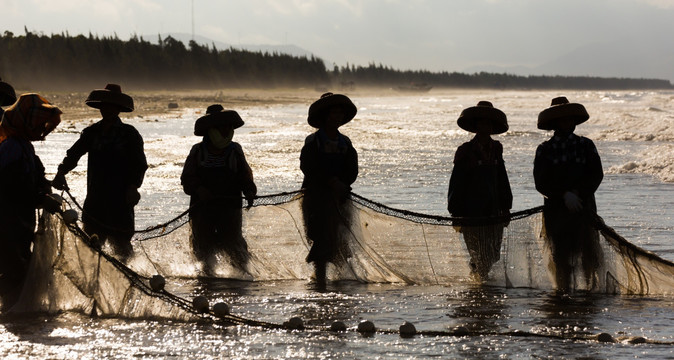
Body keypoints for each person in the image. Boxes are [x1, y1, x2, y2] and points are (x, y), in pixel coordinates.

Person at [52, 84, 147, 262]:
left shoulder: (129, 134)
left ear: (119, 109)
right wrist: (61, 172)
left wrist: (133, 187)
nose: (107, 110)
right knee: (91, 244)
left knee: (122, 247)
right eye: (105, 106)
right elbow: (74, 154)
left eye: (112, 106)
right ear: (100, 107)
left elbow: (139, 164)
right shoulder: (91, 132)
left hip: (121, 198)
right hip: (95, 197)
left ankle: (129, 278)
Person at [534, 96, 604, 293]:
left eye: (570, 119)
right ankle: (563, 292)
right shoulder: (544, 150)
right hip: (556, 213)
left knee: (589, 255)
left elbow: (596, 174)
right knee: (561, 256)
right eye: (563, 119)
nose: (567, 122)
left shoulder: (586, 145)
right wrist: (563, 195)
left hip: (584, 209)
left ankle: (591, 291)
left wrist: (577, 193)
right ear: (555, 123)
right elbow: (541, 182)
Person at [0, 93, 62, 309]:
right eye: (37, 123)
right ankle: (12, 312)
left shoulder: (24, 146)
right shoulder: (11, 148)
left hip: (20, 220)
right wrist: (41, 199)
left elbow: (34, 174)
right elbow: (10, 187)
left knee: (18, 264)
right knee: (13, 268)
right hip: (8, 220)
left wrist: (43, 186)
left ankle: (15, 314)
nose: (40, 128)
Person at [181, 105, 257, 276]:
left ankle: (241, 277)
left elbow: (245, 174)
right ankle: (207, 277)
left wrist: (249, 190)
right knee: (203, 246)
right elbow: (187, 178)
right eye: (220, 127)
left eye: (227, 127)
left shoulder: (235, 150)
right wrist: (200, 189)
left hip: (230, 205)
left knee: (233, 243)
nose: (225, 130)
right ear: (210, 130)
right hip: (202, 207)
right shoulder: (198, 151)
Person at [447, 101, 512, 280]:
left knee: (492, 255)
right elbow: (456, 182)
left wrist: (507, 206)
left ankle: (479, 285)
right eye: (482, 123)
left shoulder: (497, 149)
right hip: (471, 212)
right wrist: (455, 211)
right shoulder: (465, 151)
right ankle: (478, 287)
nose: (485, 126)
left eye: (488, 123)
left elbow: (502, 178)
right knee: (478, 254)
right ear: (476, 127)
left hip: (494, 211)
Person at [300, 92, 358, 286]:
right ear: (325, 116)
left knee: (341, 237)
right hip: (315, 198)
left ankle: (340, 281)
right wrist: (331, 182)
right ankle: (321, 280)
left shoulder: (346, 143)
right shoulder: (313, 141)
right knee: (320, 236)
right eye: (334, 113)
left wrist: (342, 184)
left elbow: (352, 169)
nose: (338, 117)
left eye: (340, 113)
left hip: (340, 198)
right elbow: (308, 167)